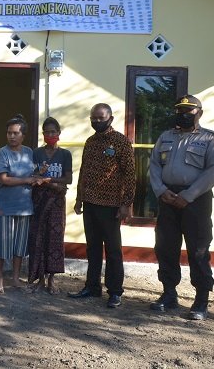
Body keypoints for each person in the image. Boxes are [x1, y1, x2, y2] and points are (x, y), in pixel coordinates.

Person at [148, 95, 214, 320]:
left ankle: (201, 300)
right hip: (167, 197)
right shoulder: (165, 137)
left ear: (199, 113)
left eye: (189, 111)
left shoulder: (211, 139)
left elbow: (213, 171)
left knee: (198, 250)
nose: (184, 114)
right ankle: (169, 294)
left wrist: (189, 195)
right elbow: (154, 164)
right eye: (180, 110)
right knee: (165, 247)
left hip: (196, 200)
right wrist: (161, 191)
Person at [68, 104, 136, 308]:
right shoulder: (90, 142)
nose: (96, 122)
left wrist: (126, 204)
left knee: (113, 250)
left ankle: (115, 291)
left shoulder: (121, 142)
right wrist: (79, 198)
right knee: (93, 248)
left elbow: (130, 175)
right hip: (89, 203)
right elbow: (84, 172)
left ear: (111, 118)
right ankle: (92, 286)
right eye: (93, 118)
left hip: (111, 206)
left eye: (100, 118)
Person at [0, 114, 49, 295]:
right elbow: (3, 179)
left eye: (16, 133)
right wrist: (28, 179)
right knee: (2, 246)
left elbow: (32, 173)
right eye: (9, 133)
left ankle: (16, 278)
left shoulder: (28, 152)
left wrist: (39, 173)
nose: (11, 136)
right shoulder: (2, 153)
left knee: (19, 246)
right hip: (5, 207)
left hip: (25, 207)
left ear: (23, 135)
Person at [28, 116, 72, 294]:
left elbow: (68, 179)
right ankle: (39, 279)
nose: (50, 134)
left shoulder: (65, 154)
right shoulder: (36, 153)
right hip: (38, 200)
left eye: (53, 132)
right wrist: (40, 175)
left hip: (56, 201)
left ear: (59, 133)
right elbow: (32, 176)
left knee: (54, 238)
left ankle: (52, 279)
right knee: (38, 237)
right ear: (43, 134)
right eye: (47, 132)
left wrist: (48, 179)